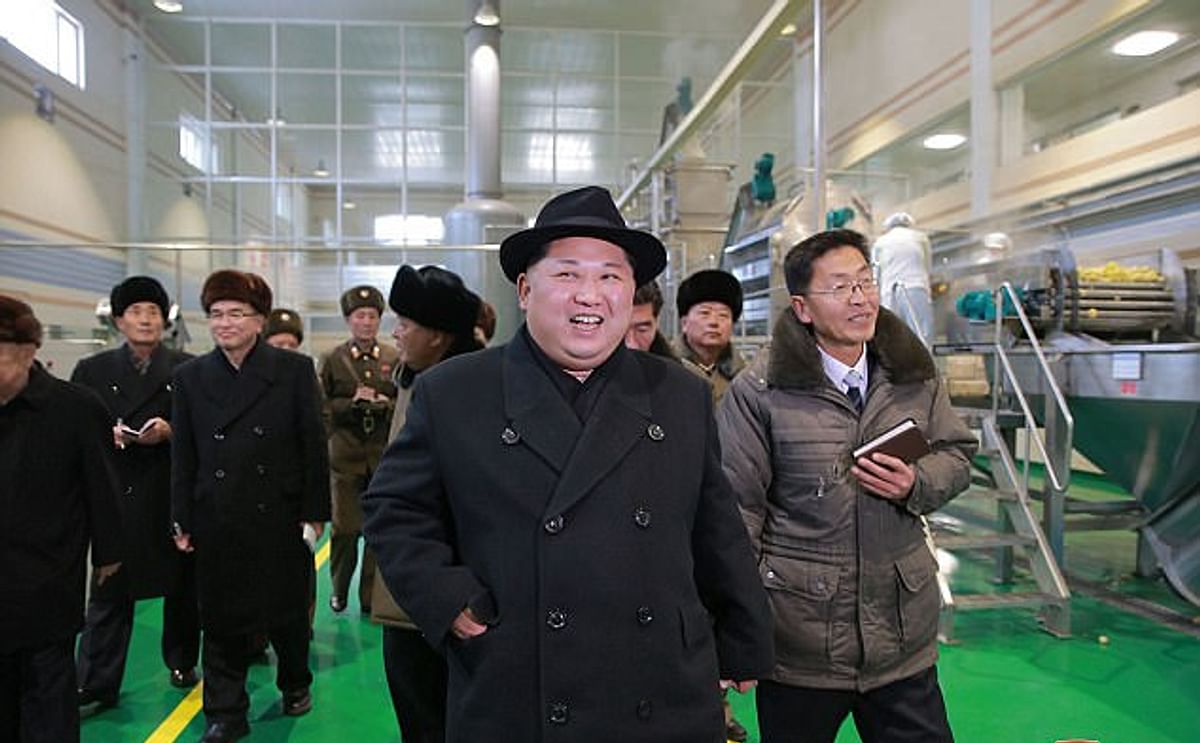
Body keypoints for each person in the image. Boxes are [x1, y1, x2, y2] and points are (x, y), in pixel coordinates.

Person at [362, 185, 773, 743]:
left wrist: (743, 633)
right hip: (518, 677)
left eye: (610, 276)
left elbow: (714, 520)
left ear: (631, 293)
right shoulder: (456, 392)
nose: (591, 295)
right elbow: (394, 506)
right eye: (568, 275)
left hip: (662, 683)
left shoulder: (679, 393)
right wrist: (446, 599)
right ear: (526, 290)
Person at [716, 229, 977, 743]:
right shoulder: (761, 390)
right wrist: (733, 629)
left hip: (902, 634)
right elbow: (735, 513)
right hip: (801, 641)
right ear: (803, 307)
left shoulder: (913, 374)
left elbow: (957, 453)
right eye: (839, 287)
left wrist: (916, 481)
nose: (860, 298)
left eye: (865, 281)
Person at [170, 270, 330, 743]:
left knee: (285, 614)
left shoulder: (293, 371)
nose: (224, 324)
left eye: (236, 313)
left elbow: (312, 446)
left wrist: (315, 512)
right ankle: (226, 711)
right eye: (216, 314)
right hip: (216, 514)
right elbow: (185, 456)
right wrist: (180, 516)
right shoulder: (190, 377)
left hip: (278, 513)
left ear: (259, 320)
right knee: (219, 618)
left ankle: (296, 680)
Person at [73, 277, 200, 711]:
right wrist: (102, 435)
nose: (145, 319)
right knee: (110, 589)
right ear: (119, 321)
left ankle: (182, 661)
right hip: (116, 493)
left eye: (153, 312)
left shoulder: (189, 368)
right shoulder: (92, 371)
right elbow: (74, 432)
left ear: (164, 320)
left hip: (170, 490)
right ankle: (96, 682)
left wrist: (171, 432)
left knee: (181, 588)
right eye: (135, 312)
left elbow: (208, 432)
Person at [0, 295, 123, 743]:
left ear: (28, 352)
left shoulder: (74, 408)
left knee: (47, 695)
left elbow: (102, 486)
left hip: (47, 579)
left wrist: (110, 553)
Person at [369, 264, 482, 743]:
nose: (396, 332)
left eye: (406, 324)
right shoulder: (410, 381)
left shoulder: (470, 393)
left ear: (437, 335)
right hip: (404, 596)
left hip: (449, 595)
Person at [319, 286, 399, 614]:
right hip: (345, 457)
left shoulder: (393, 357)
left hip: (381, 457)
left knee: (379, 531)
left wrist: (385, 403)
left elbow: (406, 399)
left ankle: (370, 596)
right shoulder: (332, 359)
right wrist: (350, 403)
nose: (366, 323)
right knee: (346, 528)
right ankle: (339, 589)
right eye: (359, 316)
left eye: (372, 316)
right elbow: (321, 405)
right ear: (348, 321)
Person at [675, 268, 745, 403]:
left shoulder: (745, 376)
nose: (714, 322)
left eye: (723, 315)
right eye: (704, 313)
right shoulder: (665, 368)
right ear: (684, 323)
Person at [872, 212, 933, 343]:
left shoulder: (881, 242)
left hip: (889, 293)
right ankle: (923, 363)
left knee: (890, 335)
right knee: (920, 333)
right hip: (916, 288)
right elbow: (927, 266)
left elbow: (875, 273)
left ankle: (892, 363)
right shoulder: (920, 238)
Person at [624, 280, 676, 359]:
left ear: (656, 323)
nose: (631, 345)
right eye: (620, 331)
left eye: (642, 330)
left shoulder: (681, 370)